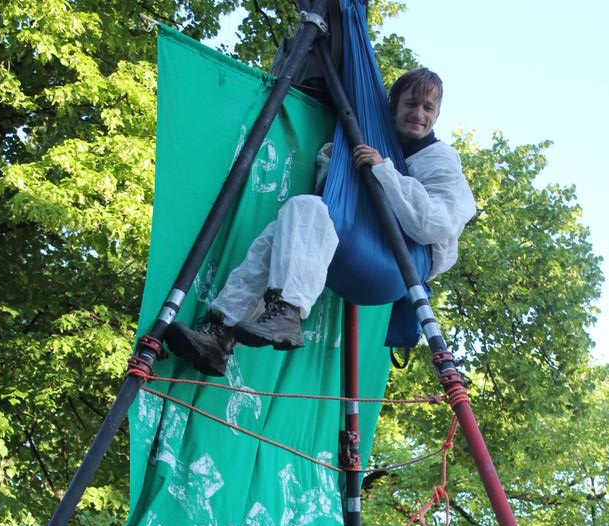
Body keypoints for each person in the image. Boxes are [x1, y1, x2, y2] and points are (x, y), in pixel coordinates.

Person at [165, 67, 476, 376]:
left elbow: (435, 224)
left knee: (306, 208)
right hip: (365, 242)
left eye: (427, 107)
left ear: (436, 115)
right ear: (394, 106)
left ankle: (287, 311)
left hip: (401, 263)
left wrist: (386, 172)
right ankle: (220, 334)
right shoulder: (377, 142)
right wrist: (335, 162)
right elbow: (343, 201)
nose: (418, 113)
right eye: (411, 104)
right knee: (282, 233)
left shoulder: (439, 158)